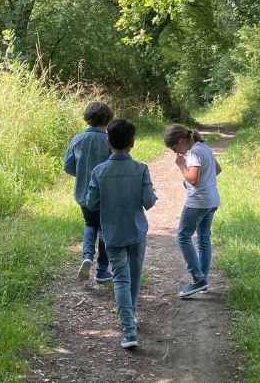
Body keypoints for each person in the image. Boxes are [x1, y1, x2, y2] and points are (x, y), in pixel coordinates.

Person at [86, 119, 157, 349]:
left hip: (112, 233)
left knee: (120, 280)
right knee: (134, 276)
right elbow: (149, 202)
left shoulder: (99, 171)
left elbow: (91, 202)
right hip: (137, 231)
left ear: (108, 142)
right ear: (133, 143)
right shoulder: (141, 169)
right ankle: (131, 314)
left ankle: (129, 330)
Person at [163, 124, 222, 298]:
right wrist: (191, 181)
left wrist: (181, 166)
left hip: (197, 201)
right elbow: (217, 170)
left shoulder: (194, 153)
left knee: (182, 236)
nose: (177, 154)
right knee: (203, 238)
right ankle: (202, 280)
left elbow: (194, 179)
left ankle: (198, 279)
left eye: (175, 148)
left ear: (180, 141)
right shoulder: (204, 147)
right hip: (212, 199)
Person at [63, 101, 114, 283]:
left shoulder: (77, 140)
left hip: (83, 193)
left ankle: (86, 256)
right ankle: (102, 270)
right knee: (105, 229)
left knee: (90, 224)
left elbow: (68, 167)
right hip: (106, 194)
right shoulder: (109, 140)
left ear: (87, 118)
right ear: (108, 119)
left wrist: (83, 172)